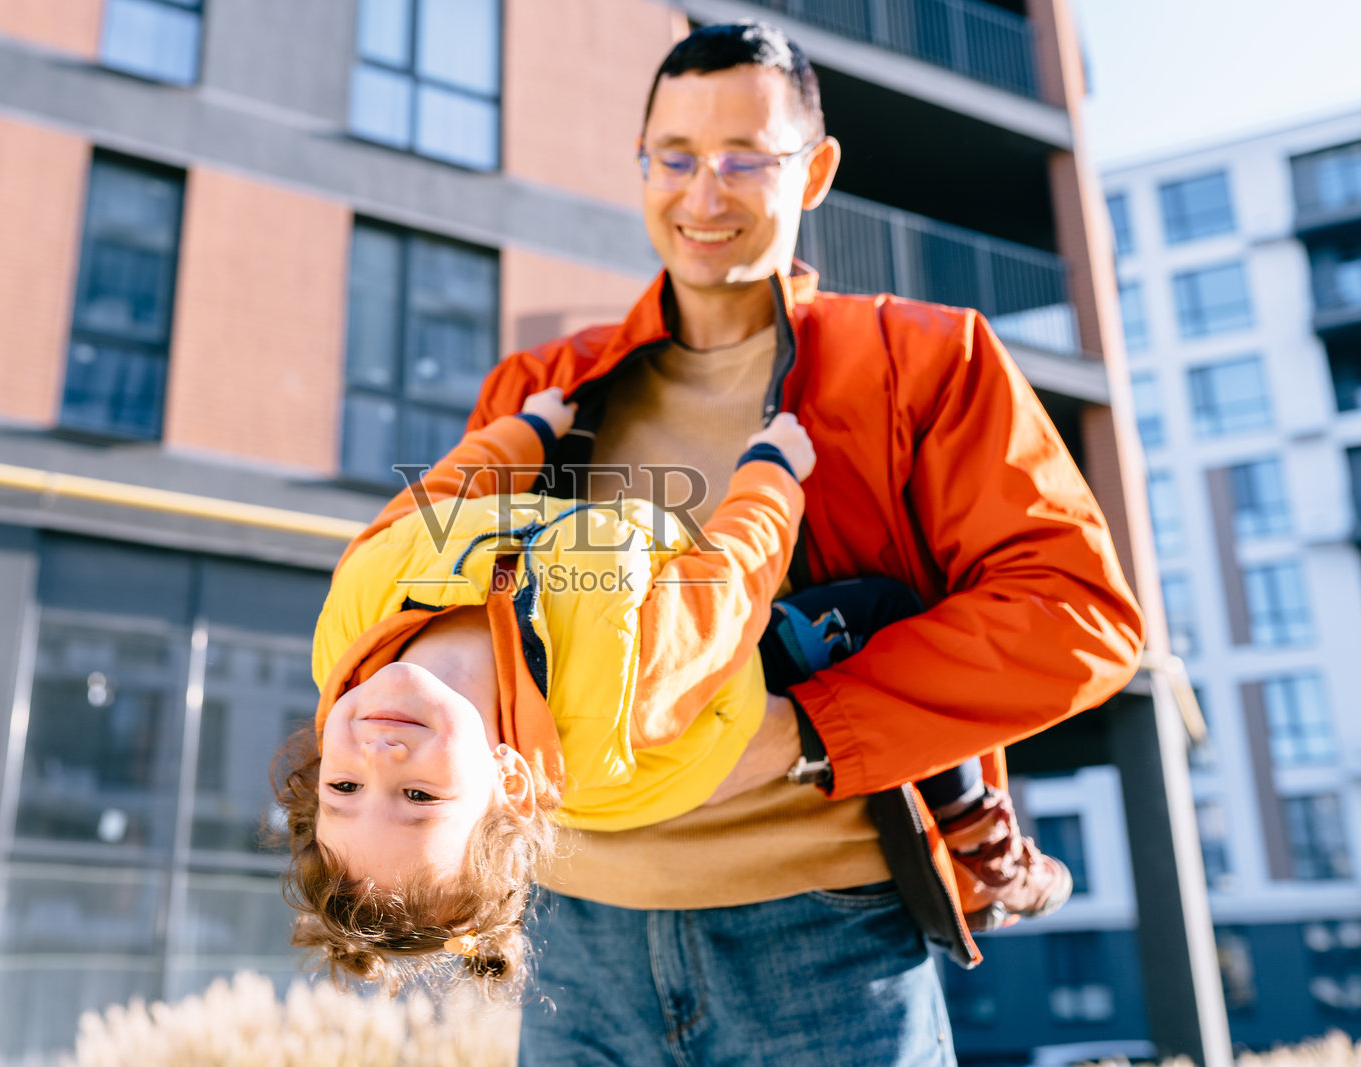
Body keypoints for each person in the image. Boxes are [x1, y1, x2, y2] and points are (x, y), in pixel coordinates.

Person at [455, 20, 1146, 1066]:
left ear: (814, 170)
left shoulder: (926, 359)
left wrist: (803, 731)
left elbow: (1077, 614)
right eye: (675, 158)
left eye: (744, 159)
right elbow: (453, 615)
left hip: (825, 948)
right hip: (572, 944)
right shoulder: (536, 391)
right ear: (640, 162)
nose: (702, 195)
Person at [277, 390, 814, 995]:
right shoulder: (629, 687)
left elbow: (447, 493)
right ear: (507, 780)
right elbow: (733, 578)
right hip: (703, 709)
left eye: (344, 788)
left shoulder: (357, 608)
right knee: (852, 617)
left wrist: (532, 428)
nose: (379, 757)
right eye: (418, 795)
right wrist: (774, 467)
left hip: (541, 547)